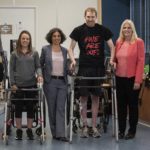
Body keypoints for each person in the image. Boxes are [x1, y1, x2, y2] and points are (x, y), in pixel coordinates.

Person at [68, 7, 115, 138]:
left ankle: (94, 126)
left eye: (92, 17)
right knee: (83, 97)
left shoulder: (102, 30)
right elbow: (70, 49)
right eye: (88, 17)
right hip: (84, 68)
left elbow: (112, 46)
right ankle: (84, 126)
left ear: (96, 17)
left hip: (98, 69)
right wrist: (72, 61)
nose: (90, 19)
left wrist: (111, 60)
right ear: (85, 17)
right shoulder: (78, 30)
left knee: (96, 98)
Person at [40, 27, 74, 142]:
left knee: (60, 108)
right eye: (54, 36)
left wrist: (71, 69)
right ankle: (54, 132)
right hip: (50, 82)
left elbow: (67, 69)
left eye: (58, 36)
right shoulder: (45, 49)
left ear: (61, 38)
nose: (56, 38)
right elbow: (40, 65)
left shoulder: (64, 51)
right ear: (51, 37)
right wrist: (40, 76)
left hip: (63, 82)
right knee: (52, 108)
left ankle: (61, 134)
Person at [114, 19, 145, 140]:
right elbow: (116, 60)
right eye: (124, 28)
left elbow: (141, 62)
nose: (126, 30)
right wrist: (113, 63)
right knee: (121, 106)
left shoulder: (138, 42)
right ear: (122, 29)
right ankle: (121, 130)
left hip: (132, 79)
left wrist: (138, 81)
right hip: (119, 78)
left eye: (129, 28)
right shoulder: (118, 42)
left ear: (132, 29)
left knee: (132, 106)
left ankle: (132, 131)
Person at [9, 30, 43, 140]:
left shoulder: (34, 52)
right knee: (18, 107)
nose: (25, 40)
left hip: (31, 85)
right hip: (18, 86)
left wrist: (39, 75)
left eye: (27, 39)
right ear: (20, 40)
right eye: (23, 38)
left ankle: (29, 130)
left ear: (30, 40)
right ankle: (19, 130)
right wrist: (12, 84)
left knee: (30, 107)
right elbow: (11, 70)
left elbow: (38, 66)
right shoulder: (14, 54)